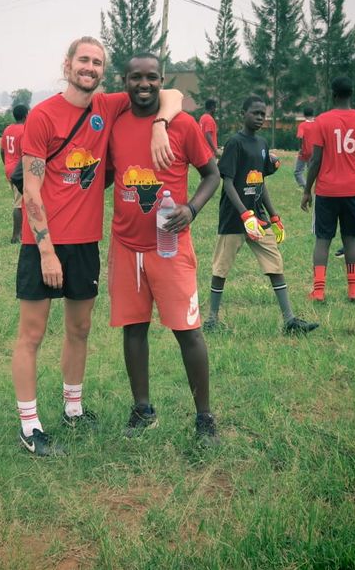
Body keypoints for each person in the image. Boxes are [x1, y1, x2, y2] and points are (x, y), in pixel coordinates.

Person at [11, 35, 179, 457]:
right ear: (67, 65)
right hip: (44, 244)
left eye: (97, 63)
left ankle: (73, 407)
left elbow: (172, 93)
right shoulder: (43, 115)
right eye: (83, 60)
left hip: (86, 243)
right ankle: (30, 427)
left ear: (104, 72)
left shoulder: (108, 106)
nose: (89, 68)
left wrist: (159, 124)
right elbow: (31, 189)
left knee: (80, 329)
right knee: (32, 334)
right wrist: (46, 250)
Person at [107, 53, 222, 444]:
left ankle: (205, 418)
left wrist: (192, 208)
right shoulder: (115, 123)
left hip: (169, 246)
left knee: (188, 331)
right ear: (124, 81)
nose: (144, 84)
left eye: (151, 77)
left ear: (162, 80)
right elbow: (105, 173)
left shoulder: (183, 123)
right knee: (133, 329)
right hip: (125, 245)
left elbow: (212, 174)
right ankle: (142, 409)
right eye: (136, 77)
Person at [205, 95, 318, 333]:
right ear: (242, 114)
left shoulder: (263, 144)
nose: (259, 118)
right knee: (221, 268)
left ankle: (290, 321)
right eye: (255, 113)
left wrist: (274, 216)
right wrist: (244, 215)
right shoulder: (235, 143)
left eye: (263, 114)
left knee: (275, 264)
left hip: (258, 217)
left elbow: (260, 182)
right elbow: (227, 183)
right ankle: (211, 321)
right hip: (234, 218)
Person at [299, 76, 355, 303]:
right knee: (350, 239)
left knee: (323, 240)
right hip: (353, 190)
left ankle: (319, 291)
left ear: (333, 94)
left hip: (326, 191)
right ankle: (353, 291)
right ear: (351, 94)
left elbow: (315, 160)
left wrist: (307, 190)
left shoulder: (322, 121)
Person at [0, 104, 28, 243]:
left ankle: (23, 232)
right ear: (26, 116)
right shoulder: (25, 130)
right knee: (18, 204)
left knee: (21, 201)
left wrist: (6, 165)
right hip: (19, 170)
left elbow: (2, 151)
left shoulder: (7, 129)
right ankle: (16, 236)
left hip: (9, 168)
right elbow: (26, 153)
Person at [293, 106, 316, 189]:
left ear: (304, 115)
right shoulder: (317, 125)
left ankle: (306, 187)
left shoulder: (302, 125)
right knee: (312, 172)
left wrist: (300, 148)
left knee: (298, 172)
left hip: (304, 152)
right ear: (313, 114)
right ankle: (313, 187)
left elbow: (300, 137)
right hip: (315, 152)